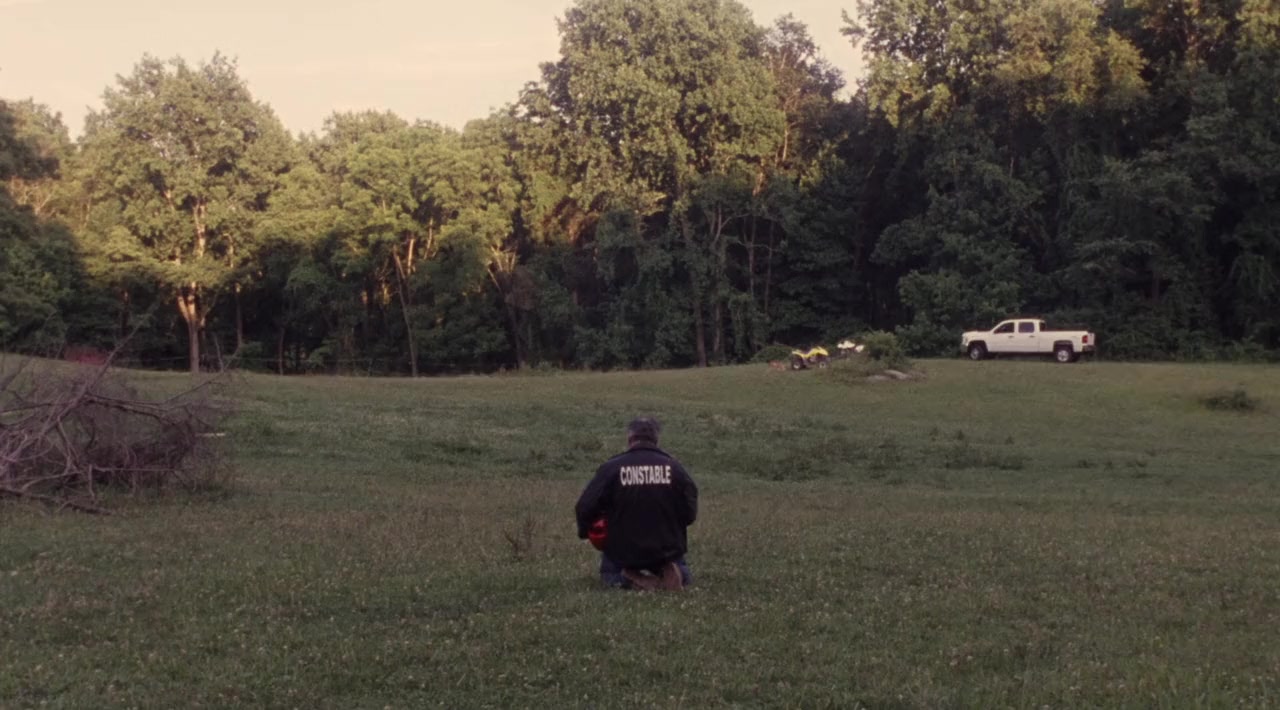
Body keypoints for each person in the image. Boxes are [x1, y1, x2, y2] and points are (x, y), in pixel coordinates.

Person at [574, 417, 698, 591]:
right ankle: (674, 574)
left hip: (623, 549)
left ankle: (630, 579)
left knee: (610, 576)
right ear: (656, 440)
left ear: (630, 438)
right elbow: (690, 511)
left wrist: (587, 531)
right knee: (680, 568)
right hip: (666, 548)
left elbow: (585, 507)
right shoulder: (675, 468)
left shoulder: (612, 467)